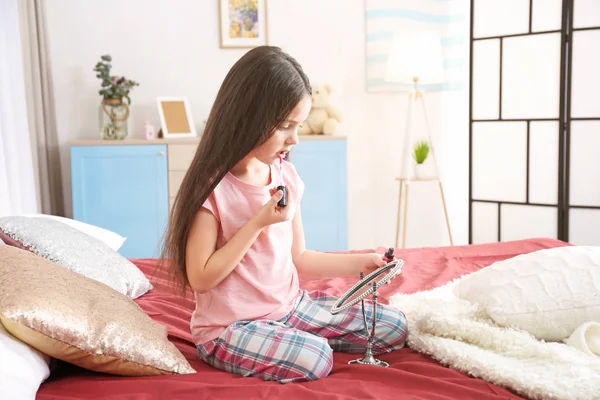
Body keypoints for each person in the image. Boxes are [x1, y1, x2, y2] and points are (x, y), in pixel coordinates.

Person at [161, 46, 407, 384]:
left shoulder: (284, 174)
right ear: (248, 118)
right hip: (231, 329)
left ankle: (290, 337)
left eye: (299, 126)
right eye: (285, 126)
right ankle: (292, 342)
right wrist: (258, 223)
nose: (295, 139)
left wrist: (362, 263)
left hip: (291, 308)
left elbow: (300, 259)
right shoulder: (214, 189)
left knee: (394, 326)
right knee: (317, 356)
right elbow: (201, 277)